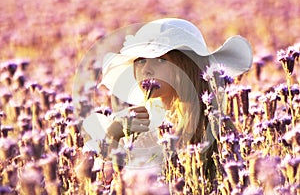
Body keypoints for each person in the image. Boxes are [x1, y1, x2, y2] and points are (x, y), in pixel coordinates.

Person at [82, 18, 252, 176]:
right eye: (141, 60)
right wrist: (113, 135)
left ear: (186, 68)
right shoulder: (134, 125)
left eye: (161, 60)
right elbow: (110, 180)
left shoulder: (217, 128)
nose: (146, 70)